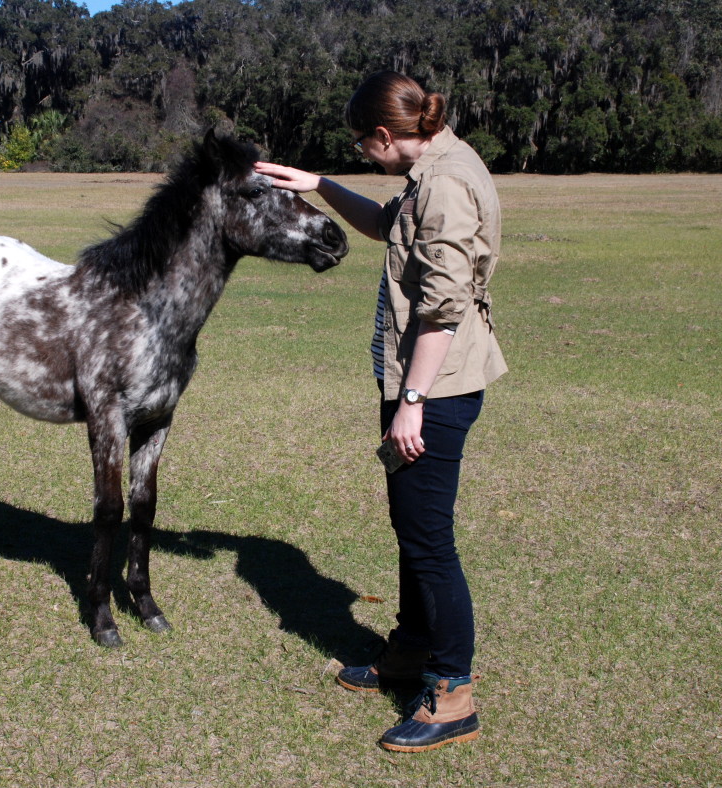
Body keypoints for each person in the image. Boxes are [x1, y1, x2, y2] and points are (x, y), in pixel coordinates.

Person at [255, 71, 507, 753]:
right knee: (412, 529)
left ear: (386, 135)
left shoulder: (448, 183)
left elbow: (444, 305)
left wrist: (412, 404)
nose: (364, 156)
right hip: (421, 386)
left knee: (430, 542)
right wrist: (321, 186)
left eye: (363, 148)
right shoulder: (433, 169)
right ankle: (411, 651)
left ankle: (451, 691)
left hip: (437, 389)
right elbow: (384, 225)